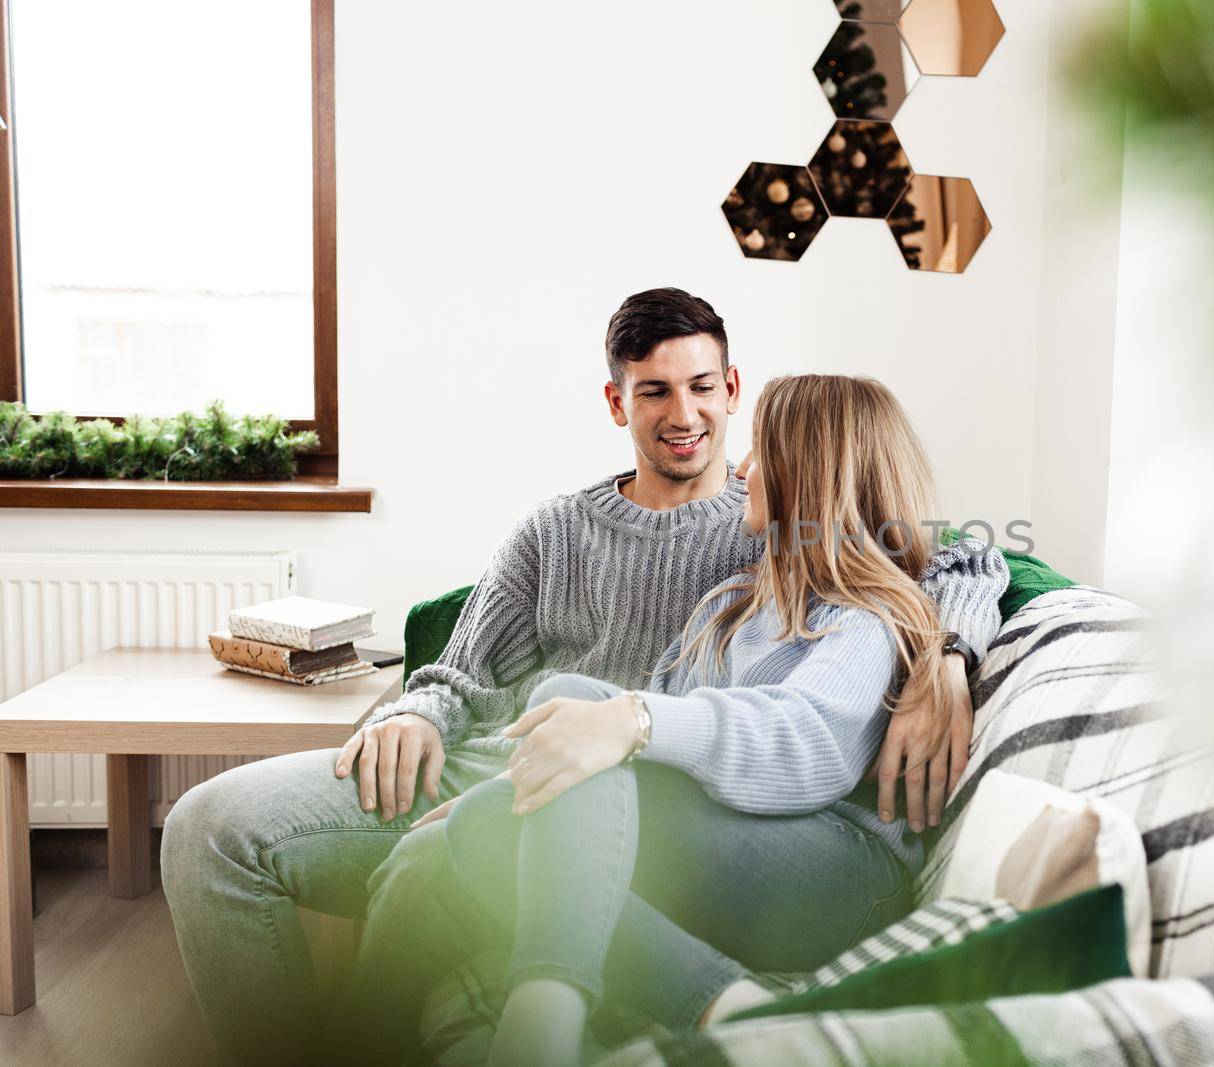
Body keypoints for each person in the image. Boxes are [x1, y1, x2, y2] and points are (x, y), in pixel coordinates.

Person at [159, 288, 1006, 1063]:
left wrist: (951, 655)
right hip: (522, 760)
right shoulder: (597, 546)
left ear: (735, 389)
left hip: (665, 793)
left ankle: (543, 1019)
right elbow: (459, 670)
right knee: (207, 826)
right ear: (616, 401)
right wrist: (416, 712)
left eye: (705, 388)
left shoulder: (785, 542)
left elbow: (945, 555)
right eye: (655, 391)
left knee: (563, 723)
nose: (689, 416)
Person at [361, 374, 1006, 1067]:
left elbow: (808, 741)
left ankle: (538, 1031)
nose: (746, 468)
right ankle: (727, 1004)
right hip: (734, 847)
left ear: (812, 472)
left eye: (765, 450)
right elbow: (623, 758)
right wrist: (515, 785)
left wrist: (632, 719)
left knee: (579, 708)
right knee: (472, 830)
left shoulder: (865, 610)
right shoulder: (731, 605)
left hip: (840, 871)